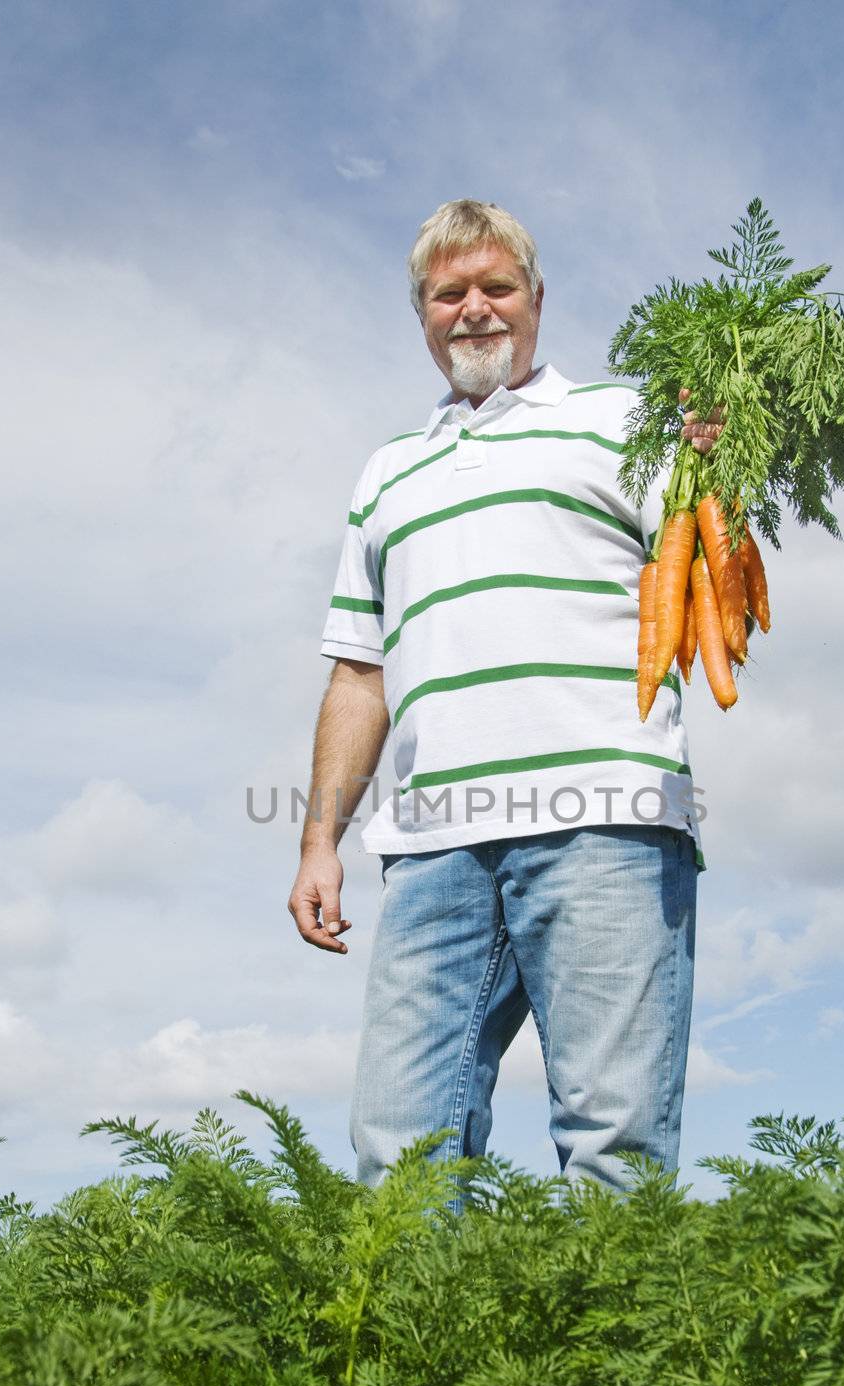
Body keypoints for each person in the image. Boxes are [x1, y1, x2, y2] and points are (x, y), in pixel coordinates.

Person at [287, 199, 723, 1212]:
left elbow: (715, 555)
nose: (475, 309)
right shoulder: (386, 475)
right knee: (399, 1153)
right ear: (422, 314)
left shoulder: (629, 421)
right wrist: (319, 842)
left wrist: (717, 457)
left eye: (498, 287)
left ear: (536, 301)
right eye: (451, 293)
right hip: (434, 848)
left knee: (614, 1150)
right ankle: (427, 1371)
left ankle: (605, 1374)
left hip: (606, 822)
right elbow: (359, 672)